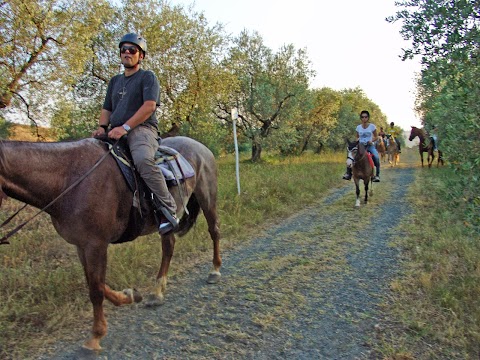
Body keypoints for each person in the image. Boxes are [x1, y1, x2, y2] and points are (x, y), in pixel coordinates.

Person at [92, 33, 178, 235]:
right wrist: (102, 128)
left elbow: (149, 107)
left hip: (142, 130)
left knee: (142, 160)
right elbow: (107, 108)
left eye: (133, 50)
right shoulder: (114, 81)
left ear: (141, 56)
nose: (127, 53)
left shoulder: (147, 77)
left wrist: (126, 128)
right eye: (124, 50)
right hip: (115, 130)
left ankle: (168, 210)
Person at [342, 110, 381, 182]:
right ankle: (348, 173)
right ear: (361, 118)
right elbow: (357, 137)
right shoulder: (358, 127)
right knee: (351, 154)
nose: (364, 119)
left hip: (369, 145)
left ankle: (376, 175)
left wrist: (371, 140)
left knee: (376, 156)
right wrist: (357, 140)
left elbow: (376, 137)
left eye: (366, 117)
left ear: (368, 118)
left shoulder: (372, 126)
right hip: (360, 145)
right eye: (362, 117)